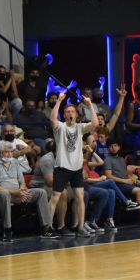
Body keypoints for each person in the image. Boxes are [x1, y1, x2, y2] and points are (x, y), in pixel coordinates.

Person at [48, 92, 100, 237]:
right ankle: (47, 227)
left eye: (72, 111)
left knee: (80, 197)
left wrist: (89, 105)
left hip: (76, 168)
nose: (70, 113)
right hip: (62, 167)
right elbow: (52, 119)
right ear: (64, 115)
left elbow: (95, 123)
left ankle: (81, 227)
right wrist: (59, 101)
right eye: (67, 112)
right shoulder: (60, 127)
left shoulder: (80, 127)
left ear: (76, 115)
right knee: (55, 196)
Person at [0, 140, 54, 240]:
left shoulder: (15, 162)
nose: (10, 154)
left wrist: (22, 191)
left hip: (17, 193)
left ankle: (46, 228)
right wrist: (15, 193)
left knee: (41, 192)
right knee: (4, 194)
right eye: (6, 152)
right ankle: (7, 230)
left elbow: (22, 182)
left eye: (11, 151)